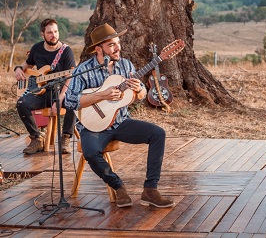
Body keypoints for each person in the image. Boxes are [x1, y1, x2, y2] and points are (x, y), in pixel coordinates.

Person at [65, 23, 174, 208]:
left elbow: (139, 97)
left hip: (121, 122)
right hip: (93, 126)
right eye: (112, 45)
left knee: (158, 134)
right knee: (90, 152)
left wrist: (139, 89)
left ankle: (150, 190)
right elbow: (69, 101)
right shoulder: (84, 70)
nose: (118, 48)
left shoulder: (125, 65)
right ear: (99, 49)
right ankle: (118, 186)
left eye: (117, 43)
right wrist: (102, 95)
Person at [14, 18, 76, 155]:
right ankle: (36, 138)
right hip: (42, 92)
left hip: (61, 91)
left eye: (55, 31)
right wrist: (18, 68)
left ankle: (65, 137)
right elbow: (28, 64)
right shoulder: (36, 48)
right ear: (43, 34)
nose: (53, 35)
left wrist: (61, 97)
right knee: (21, 103)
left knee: (74, 100)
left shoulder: (66, 51)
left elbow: (70, 77)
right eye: (49, 32)